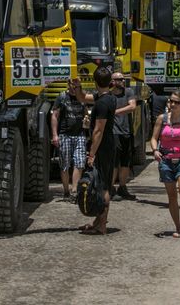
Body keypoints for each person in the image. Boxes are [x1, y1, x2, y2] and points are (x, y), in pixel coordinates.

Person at [71, 67, 117, 235]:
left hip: (103, 147)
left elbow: (98, 131)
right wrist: (78, 88)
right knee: (98, 183)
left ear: (95, 81)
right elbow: (83, 97)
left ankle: (102, 225)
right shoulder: (106, 97)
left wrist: (91, 154)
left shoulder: (103, 103)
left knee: (103, 186)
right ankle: (98, 221)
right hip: (106, 146)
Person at [149, 90, 180, 238]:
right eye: (171, 101)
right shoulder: (162, 119)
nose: (173, 104)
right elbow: (153, 138)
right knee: (172, 196)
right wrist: (155, 150)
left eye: (177, 102)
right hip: (166, 161)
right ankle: (178, 227)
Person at [51, 83, 88, 202]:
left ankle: (74, 190)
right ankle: (66, 190)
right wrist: (55, 135)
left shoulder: (82, 96)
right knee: (65, 165)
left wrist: (87, 119)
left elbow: (86, 112)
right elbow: (55, 116)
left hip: (80, 135)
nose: (74, 87)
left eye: (76, 85)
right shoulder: (62, 97)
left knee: (79, 162)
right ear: (68, 85)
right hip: (64, 135)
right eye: (72, 85)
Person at [110, 72, 137, 201]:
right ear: (112, 81)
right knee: (114, 162)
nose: (122, 81)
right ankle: (111, 188)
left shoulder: (128, 92)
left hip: (126, 132)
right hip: (113, 132)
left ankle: (122, 187)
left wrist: (115, 112)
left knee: (125, 162)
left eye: (122, 79)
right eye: (118, 80)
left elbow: (132, 106)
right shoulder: (108, 95)